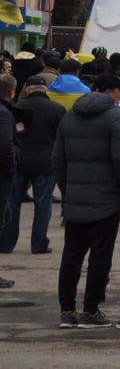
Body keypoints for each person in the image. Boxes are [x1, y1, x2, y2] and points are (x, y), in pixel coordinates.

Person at [52, 79, 120, 327]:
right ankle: (90, 310)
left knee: (72, 255)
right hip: (106, 200)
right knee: (100, 256)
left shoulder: (69, 117)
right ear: (110, 92)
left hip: (75, 198)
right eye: (119, 93)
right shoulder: (115, 119)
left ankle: (67, 311)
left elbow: (58, 159)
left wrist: (68, 191)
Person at [2, 74, 65, 254]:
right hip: (46, 162)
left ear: (27, 90)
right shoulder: (57, 109)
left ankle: (6, 243)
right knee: (43, 204)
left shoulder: (16, 108)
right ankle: (38, 244)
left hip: (19, 162)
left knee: (13, 203)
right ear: (46, 90)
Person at [0, 75, 15, 289]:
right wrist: (12, 168)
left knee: (7, 215)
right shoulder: (4, 115)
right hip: (2, 175)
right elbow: (4, 146)